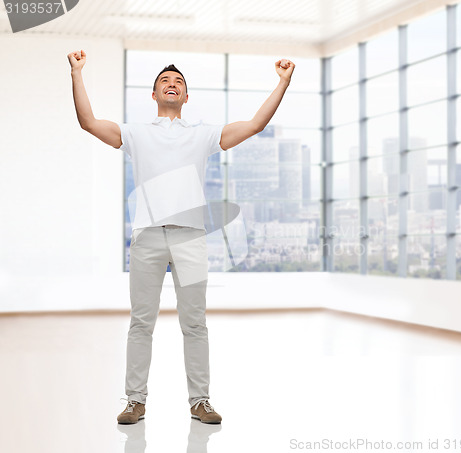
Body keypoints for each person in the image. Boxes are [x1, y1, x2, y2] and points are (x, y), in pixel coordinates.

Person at [67, 49, 295, 425]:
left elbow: (254, 125)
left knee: (195, 323)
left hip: (190, 238)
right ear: (154, 95)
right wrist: (76, 73)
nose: (171, 84)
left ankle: (200, 401)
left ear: (186, 97)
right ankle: (134, 401)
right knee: (142, 322)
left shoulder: (203, 134)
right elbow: (88, 122)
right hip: (147, 237)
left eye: (178, 82)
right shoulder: (135, 133)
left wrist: (282, 83)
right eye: (164, 81)